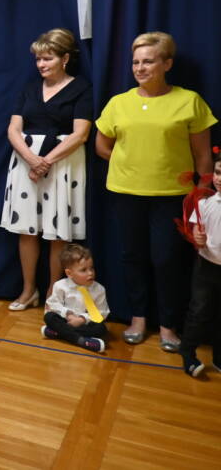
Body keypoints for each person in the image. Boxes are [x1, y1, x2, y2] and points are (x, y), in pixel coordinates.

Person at [95, 31, 216, 351]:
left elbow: (203, 156)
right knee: (132, 256)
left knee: (167, 260)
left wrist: (202, 194)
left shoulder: (189, 101)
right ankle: (137, 319)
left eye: (148, 61)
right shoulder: (118, 103)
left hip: (172, 196)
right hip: (126, 193)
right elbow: (102, 146)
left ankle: (168, 325)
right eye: (136, 62)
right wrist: (131, 164)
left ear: (167, 64)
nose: (140, 68)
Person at [1, 28, 93, 311]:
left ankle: (54, 291)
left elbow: (81, 134)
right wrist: (32, 159)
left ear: (65, 59)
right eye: (38, 59)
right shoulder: (29, 88)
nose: (41, 64)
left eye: (48, 58)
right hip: (26, 163)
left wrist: (46, 162)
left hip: (63, 165)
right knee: (27, 230)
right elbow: (14, 129)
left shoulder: (81, 88)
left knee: (58, 231)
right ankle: (29, 290)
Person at [178, 154, 221, 377]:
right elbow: (196, 233)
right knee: (199, 311)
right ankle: (187, 352)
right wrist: (198, 239)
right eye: (218, 173)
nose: (219, 179)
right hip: (206, 267)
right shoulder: (205, 204)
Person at [41, 244, 109, 354]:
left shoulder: (99, 289)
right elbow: (52, 304)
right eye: (83, 270)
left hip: (85, 323)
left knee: (101, 329)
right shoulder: (60, 286)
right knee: (49, 317)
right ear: (69, 273)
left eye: (91, 268)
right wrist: (68, 314)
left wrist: (82, 319)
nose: (90, 273)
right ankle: (81, 341)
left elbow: (102, 312)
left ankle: (58, 333)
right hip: (66, 320)